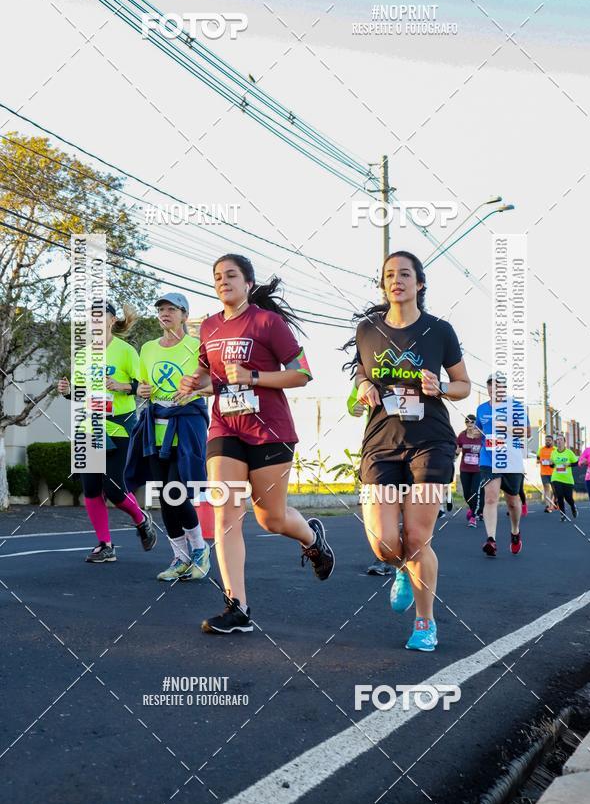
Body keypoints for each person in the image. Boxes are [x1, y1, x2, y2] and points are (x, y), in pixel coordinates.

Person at [178, 254, 334, 634]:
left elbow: (302, 374)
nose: (223, 281)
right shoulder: (209, 327)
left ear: (248, 283)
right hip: (225, 430)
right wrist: (193, 384)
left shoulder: (268, 322)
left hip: (269, 431)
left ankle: (313, 539)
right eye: (217, 277)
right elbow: (208, 376)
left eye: (231, 275)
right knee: (226, 515)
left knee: (271, 518)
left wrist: (254, 376)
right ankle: (238, 608)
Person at [345, 250, 470, 652]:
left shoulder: (440, 330)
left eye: (404, 274)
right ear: (382, 285)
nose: (396, 280)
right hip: (380, 443)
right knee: (383, 543)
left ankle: (425, 623)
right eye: (388, 275)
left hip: (430, 441)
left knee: (417, 537)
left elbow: (463, 384)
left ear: (420, 283)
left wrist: (442, 388)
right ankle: (400, 569)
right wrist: (362, 386)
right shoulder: (367, 330)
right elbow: (362, 374)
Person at [58, 302, 157, 563]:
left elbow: (143, 387)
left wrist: (122, 385)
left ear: (112, 320)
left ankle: (141, 518)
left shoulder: (126, 351)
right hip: (90, 426)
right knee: (90, 488)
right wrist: (68, 390)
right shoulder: (82, 355)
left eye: (101, 316)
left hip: (119, 426)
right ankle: (105, 545)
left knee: (113, 488)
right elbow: (80, 394)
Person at [125, 293, 211, 581]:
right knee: (164, 496)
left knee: (177, 492)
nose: (165, 313)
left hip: (186, 425)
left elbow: (214, 383)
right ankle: (180, 557)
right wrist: (141, 390)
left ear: (184, 315)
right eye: (161, 309)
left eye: (171, 309)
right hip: (155, 428)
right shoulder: (148, 349)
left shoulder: (197, 346)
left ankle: (200, 550)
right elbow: (142, 384)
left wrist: (194, 392)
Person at [476, 372, 530, 557]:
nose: (494, 388)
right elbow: (480, 429)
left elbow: (526, 431)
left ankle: (515, 532)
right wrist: (477, 434)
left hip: (510, 459)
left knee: (513, 502)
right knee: (490, 498)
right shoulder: (481, 409)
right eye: (490, 384)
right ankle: (491, 539)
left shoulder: (515, 406)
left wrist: (505, 428)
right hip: (488, 458)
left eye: (498, 385)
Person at [347, 386, 394, 576]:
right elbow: (353, 401)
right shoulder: (370, 372)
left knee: (407, 508)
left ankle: (407, 557)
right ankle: (383, 558)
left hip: (414, 446)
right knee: (379, 507)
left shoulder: (418, 367)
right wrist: (355, 407)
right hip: (379, 447)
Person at [456, 415, 483, 527]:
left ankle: (473, 517)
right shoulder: (462, 435)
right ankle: (473, 509)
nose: (470, 423)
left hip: (478, 469)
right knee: (467, 494)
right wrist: (454, 456)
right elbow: (457, 450)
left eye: (472, 421)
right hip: (465, 469)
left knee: (474, 492)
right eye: (467, 421)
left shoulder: (481, 436)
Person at [549, 433, 579, 521]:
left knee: (568, 498)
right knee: (559, 496)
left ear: (564, 442)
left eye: (561, 439)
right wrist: (551, 464)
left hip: (567, 479)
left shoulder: (569, 452)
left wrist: (569, 464)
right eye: (557, 440)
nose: (559, 441)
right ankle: (563, 514)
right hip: (556, 478)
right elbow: (552, 466)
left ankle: (573, 507)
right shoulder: (553, 453)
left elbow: (576, 463)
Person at [537, 434, 556, 512]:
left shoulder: (555, 450)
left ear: (552, 441)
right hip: (544, 472)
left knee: (555, 490)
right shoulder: (541, 449)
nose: (547, 442)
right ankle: (547, 505)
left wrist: (552, 462)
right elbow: (537, 460)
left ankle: (552, 504)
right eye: (546, 440)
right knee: (546, 488)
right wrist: (541, 461)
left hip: (554, 473)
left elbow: (557, 460)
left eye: (549, 440)